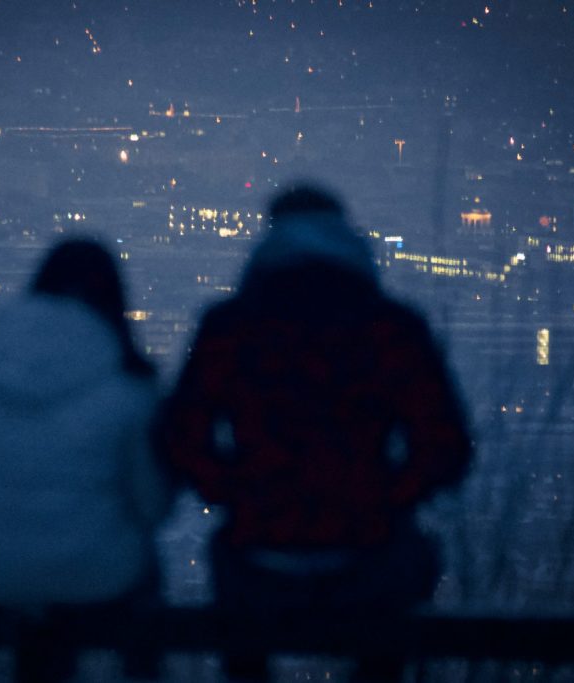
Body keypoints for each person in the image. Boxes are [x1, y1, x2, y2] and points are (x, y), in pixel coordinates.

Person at [159, 186, 472, 681]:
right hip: (370, 551)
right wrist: (386, 498)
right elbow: (447, 447)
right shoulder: (393, 327)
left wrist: (237, 493)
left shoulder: (228, 327)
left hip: (257, 550)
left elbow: (181, 437)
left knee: (242, 643)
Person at [0, 239, 169, 679]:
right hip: (99, 572)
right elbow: (151, 505)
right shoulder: (129, 389)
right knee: (142, 577)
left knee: (37, 612)